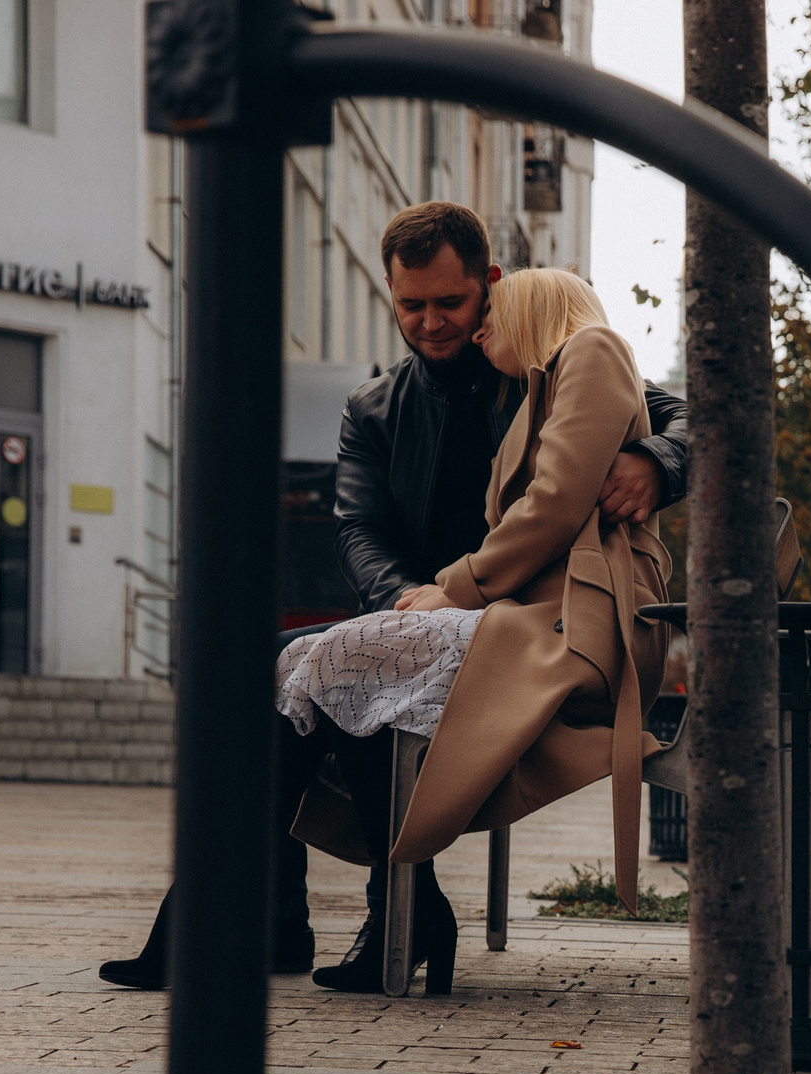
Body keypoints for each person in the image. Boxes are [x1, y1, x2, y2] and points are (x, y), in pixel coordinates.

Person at [98, 202, 690, 993]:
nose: (432, 322)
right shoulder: (373, 407)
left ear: (491, 284)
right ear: (389, 293)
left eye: (451, 302)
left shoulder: (545, 356)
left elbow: (685, 421)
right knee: (284, 671)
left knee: (332, 672)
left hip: (530, 623)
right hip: (441, 611)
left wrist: (658, 459)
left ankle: (280, 917)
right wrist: (411, 600)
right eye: (412, 304)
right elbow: (359, 530)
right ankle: (293, 912)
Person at [285, 268, 673, 962]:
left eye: (492, 313)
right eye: (412, 303)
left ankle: (315, 913)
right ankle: (389, 913)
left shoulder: (593, 351)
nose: (478, 329)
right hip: (541, 619)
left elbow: (553, 506)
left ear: (532, 309)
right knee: (320, 666)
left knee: (336, 661)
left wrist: (455, 588)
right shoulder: (541, 386)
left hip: (579, 627)